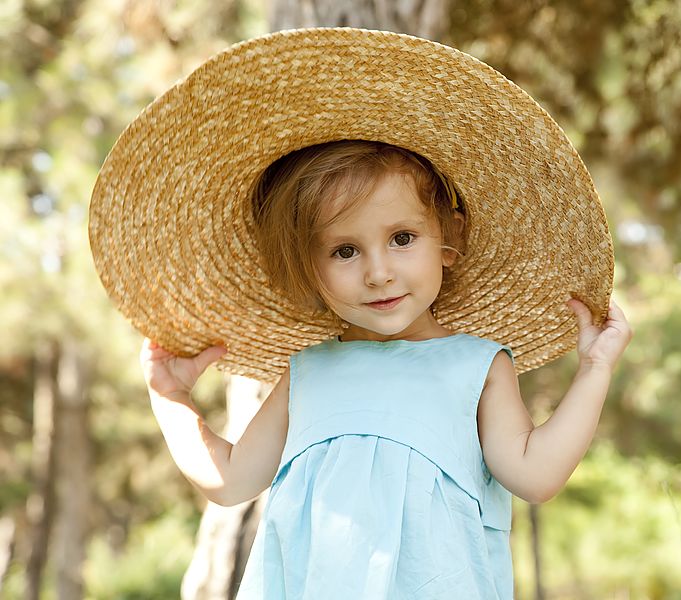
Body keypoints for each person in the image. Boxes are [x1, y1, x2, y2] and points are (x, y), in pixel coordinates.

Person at [91, 28, 632, 600]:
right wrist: (169, 398)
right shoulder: (308, 372)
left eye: (402, 238)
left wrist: (594, 369)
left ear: (447, 241)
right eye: (344, 250)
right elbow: (229, 480)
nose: (378, 272)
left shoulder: (475, 366)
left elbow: (536, 474)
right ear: (309, 268)